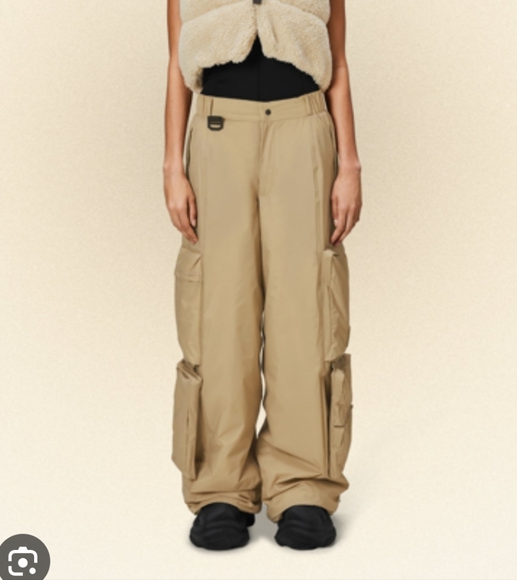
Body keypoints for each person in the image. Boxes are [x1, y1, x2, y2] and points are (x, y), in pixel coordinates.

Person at [163, 0, 363, 550]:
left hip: (303, 130)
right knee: (218, 316)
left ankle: (304, 487)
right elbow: (177, 61)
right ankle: (220, 490)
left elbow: (337, 61)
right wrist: (173, 165)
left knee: (307, 314)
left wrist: (349, 163)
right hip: (217, 133)